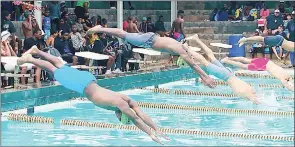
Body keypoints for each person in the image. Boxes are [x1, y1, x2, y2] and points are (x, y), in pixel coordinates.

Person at [17, 46, 169, 145]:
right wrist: (151, 134)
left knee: (61, 65)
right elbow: (136, 119)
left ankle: (36, 51)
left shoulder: (126, 99)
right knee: (55, 69)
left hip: (89, 79)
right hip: (82, 86)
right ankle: (30, 58)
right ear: (122, 115)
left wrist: (157, 128)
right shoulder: (120, 105)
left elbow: (140, 113)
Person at [87, 25, 216, 88]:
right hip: (149, 41)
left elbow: (194, 62)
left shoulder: (180, 46)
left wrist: (205, 77)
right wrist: (206, 78)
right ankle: (100, 29)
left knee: (124, 34)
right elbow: (194, 65)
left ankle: (101, 29)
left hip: (151, 38)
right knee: (123, 34)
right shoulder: (182, 51)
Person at [185, 34, 260, 104]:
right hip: (225, 75)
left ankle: (197, 39)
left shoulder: (247, 89)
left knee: (211, 57)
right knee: (205, 61)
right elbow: (256, 101)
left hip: (228, 73)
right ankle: (187, 48)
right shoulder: (246, 92)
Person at [221, 57, 294, 91]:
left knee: (245, 60)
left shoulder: (286, 73)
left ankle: (229, 58)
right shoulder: (282, 78)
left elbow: (291, 81)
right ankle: (227, 61)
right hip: (263, 66)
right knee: (244, 66)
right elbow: (288, 87)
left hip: (266, 61)